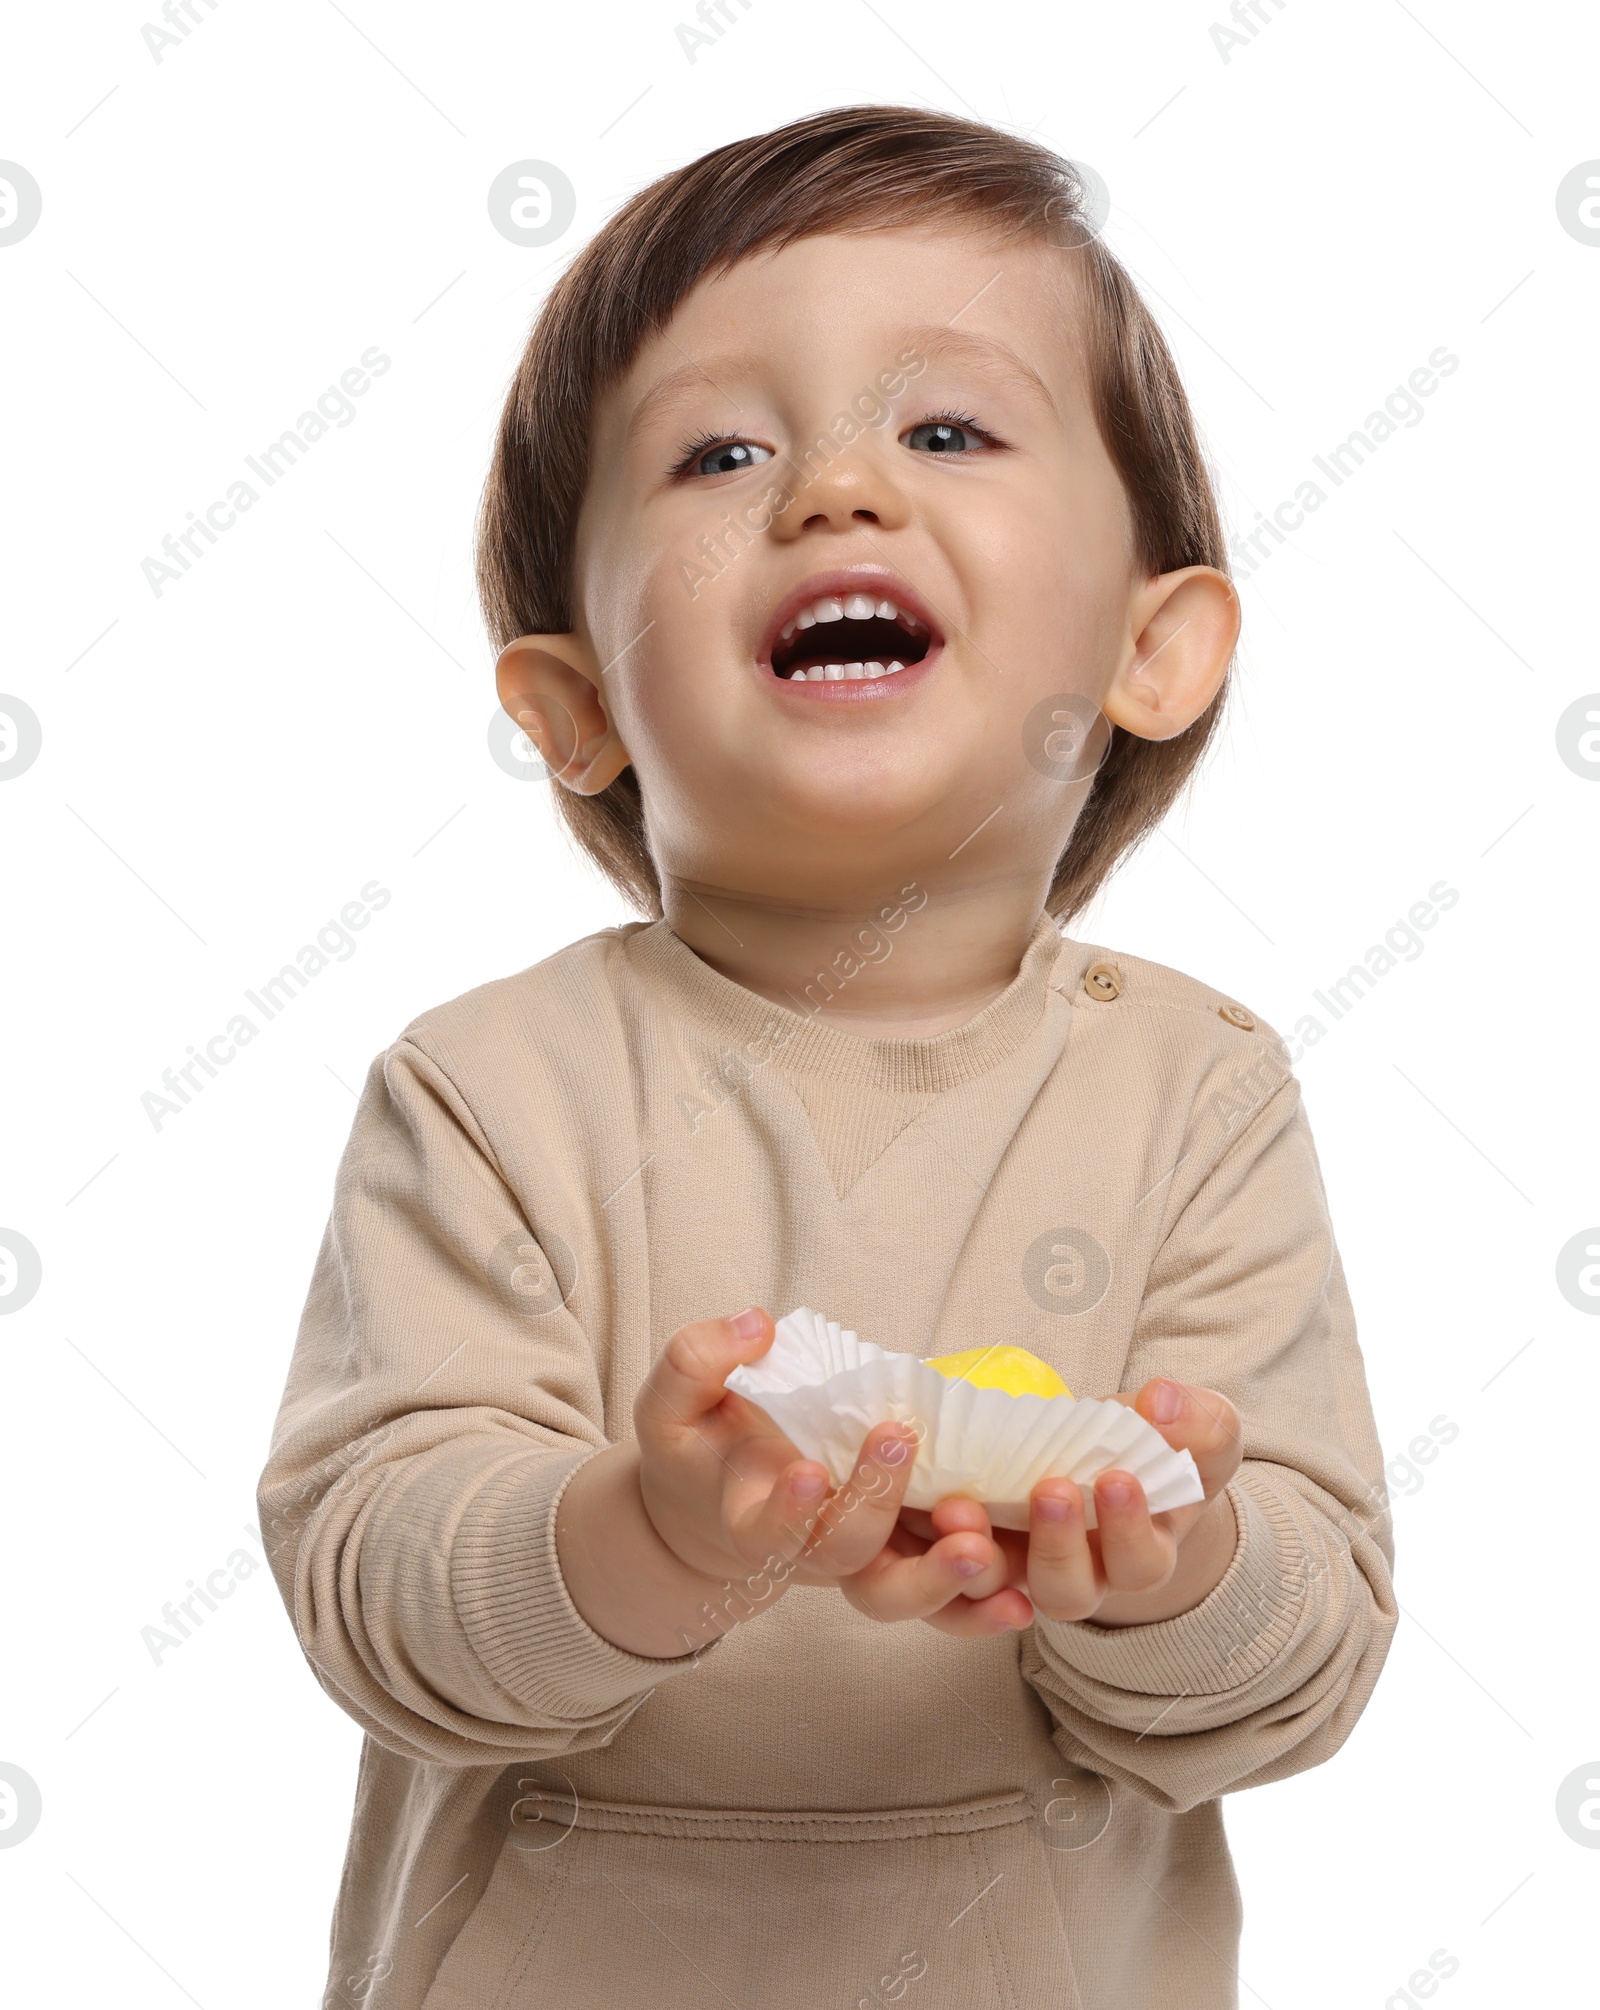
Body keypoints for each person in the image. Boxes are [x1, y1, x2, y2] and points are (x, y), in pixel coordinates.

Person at [258, 104, 1396, 2010]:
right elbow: (380, 1594)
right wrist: (649, 1536)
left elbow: (1305, 1668)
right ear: (575, 707)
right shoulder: (490, 1088)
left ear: (1156, 649)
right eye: (722, 450)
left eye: (946, 428)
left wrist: (1179, 1577)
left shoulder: (1196, 1092)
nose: (835, 491)